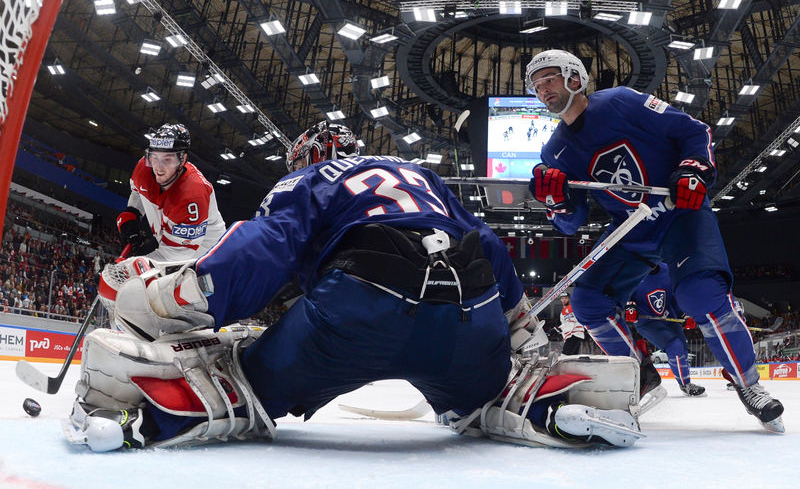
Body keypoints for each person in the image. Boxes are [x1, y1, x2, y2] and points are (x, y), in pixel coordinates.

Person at [67, 121, 645, 452]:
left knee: (240, 376)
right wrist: (518, 329)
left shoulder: (310, 178)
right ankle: (541, 394)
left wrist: (183, 297)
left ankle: (144, 412)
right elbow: (489, 247)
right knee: (483, 388)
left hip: (360, 305)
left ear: (310, 156)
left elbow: (265, 247)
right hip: (468, 308)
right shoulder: (423, 177)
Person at [525, 49, 784, 432]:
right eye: (537, 84)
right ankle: (638, 375)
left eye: (549, 78)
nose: (543, 88)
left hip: (679, 213)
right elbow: (570, 223)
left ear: (574, 79)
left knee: (700, 295)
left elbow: (693, 132)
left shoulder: (621, 102)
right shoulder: (554, 152)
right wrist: (556, 200)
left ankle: (749, 385)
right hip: (633, 227)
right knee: (587, 301)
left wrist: (693, 170)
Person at [116, 123, 225, 262]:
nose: (159, 168)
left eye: (167, 159)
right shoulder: (144, 167)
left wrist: (132, 265)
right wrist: (132, 213)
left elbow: (172, 258)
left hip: (205, 257)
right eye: (155, 157)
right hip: (171, 246)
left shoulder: (193, 195)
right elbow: (138, 193)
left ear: (182, 159)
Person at [624, 262, 706, 397]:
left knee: (683, 347)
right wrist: (629, 305)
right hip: (648, 322)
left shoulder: (667, 270)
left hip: (668, 317)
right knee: (675, 346)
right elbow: (623, 292)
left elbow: (675, 295)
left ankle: (684, 382)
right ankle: (686, 385)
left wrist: (684, 313)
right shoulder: (633, 271)